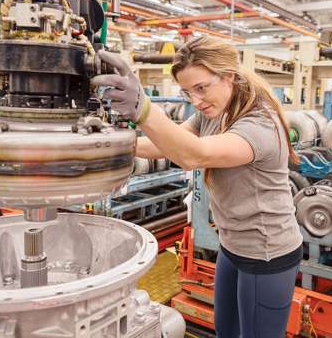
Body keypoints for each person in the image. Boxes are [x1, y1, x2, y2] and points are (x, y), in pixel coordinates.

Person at [91, 36, 303, 338]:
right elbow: (167, 144)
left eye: (202, 88)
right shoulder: (211, 113)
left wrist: (144, 109)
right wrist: (111, 144)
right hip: (232, 247)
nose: (196, 100)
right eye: (188, 92)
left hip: (266, 254)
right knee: (226, 331)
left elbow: (193, 155)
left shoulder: (259, 123)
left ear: (228, 75)